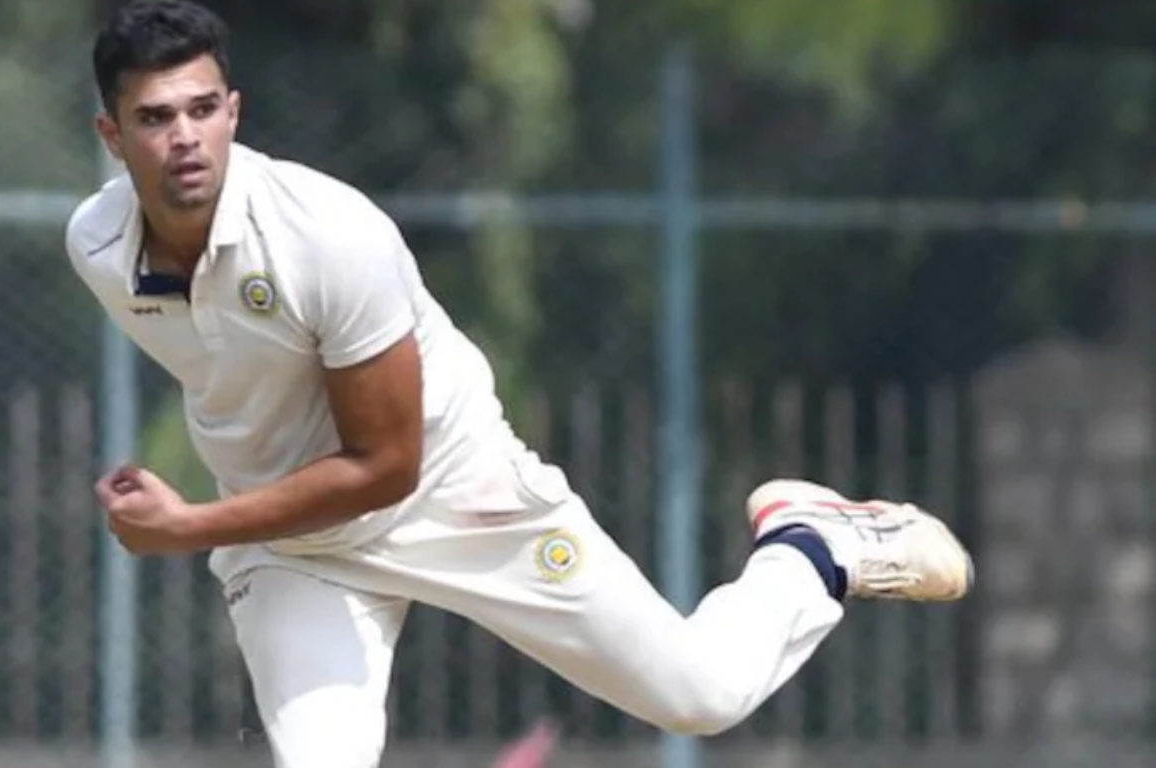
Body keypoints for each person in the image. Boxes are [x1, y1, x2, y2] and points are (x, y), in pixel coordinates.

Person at [65, 1, 975, 766]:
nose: (185, 137)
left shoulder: (331, 237)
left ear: (235, 111)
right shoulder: (98, 248)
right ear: (113, 133)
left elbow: (386, 465)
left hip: (454, 494)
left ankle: (812, 547)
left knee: (700, 695)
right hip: (297, 547)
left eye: (203, 108)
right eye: (154, 117)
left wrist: (191, 527)